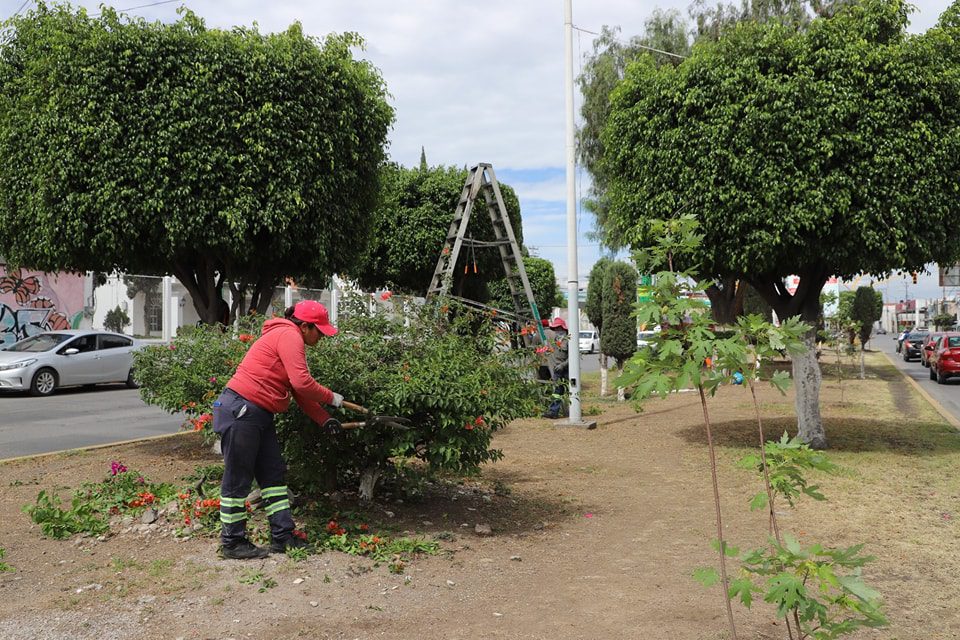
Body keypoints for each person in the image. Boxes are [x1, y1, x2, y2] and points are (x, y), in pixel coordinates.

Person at [212, 299, 344, 560]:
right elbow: (303, 382)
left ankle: (282, 537)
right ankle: (232, 542)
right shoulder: (289, 335)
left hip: (257, 413)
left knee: (273, 477)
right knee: (236, 482)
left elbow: (298, 391)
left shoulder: (286, 336)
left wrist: (325, 419)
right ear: (305, 327)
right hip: (242, 411)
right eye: (320, 331)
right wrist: (332, 398)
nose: (322, 337)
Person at [542, 317, 569, 419]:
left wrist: (563, 365)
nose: (557, 331)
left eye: (559, 328)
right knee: (557, 391)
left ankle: (568, 410)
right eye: (555, 329)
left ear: (564, 329)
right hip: (557, 371)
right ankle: (554, 411)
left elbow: (573, 358)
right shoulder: (554, 340)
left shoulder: (568, 340)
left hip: (566, 370)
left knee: (566, 390)